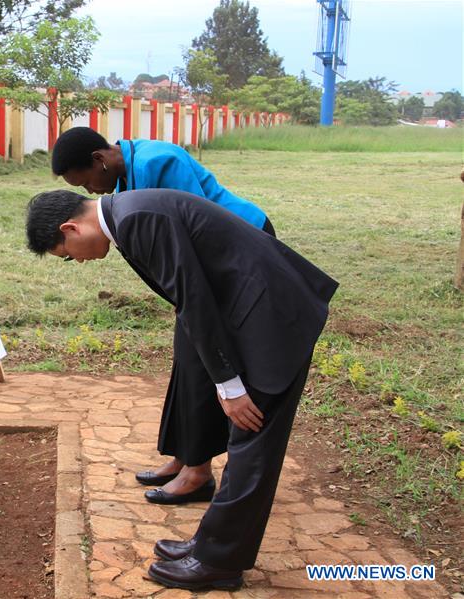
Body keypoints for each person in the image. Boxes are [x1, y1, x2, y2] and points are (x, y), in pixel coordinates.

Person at [25, 188, 337, 590]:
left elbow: (194, 299)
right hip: (250, 309)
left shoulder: (136, 218)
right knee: (248, 436)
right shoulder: (128, 215)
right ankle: (210, 544)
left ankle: (219, 563)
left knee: (252, 438)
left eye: (68, 254)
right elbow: (190, 294)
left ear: (71, 227)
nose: (77, 260)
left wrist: (229, 385)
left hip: (271, 315)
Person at [51, 126, 275, 505]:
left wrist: (194, 300)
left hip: (240, 251)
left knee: (203, 357)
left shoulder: (160, 162)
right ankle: (186, 456)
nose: (89, 192)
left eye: (86, 182)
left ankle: (198, 473)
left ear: (99, 161)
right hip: (201, 272)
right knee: (186, 359)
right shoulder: (124, 180)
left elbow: (198, 232)